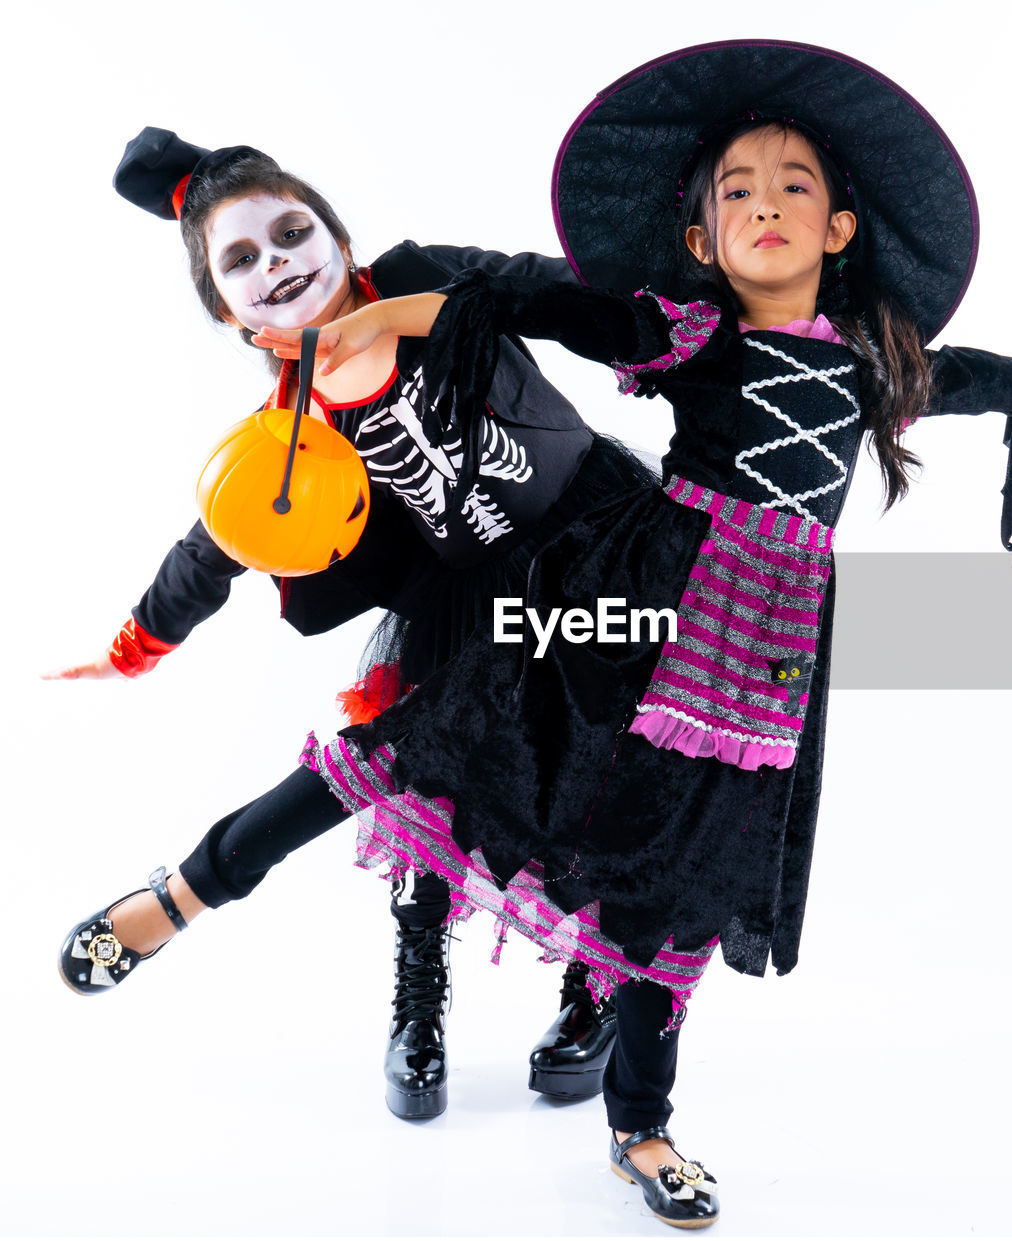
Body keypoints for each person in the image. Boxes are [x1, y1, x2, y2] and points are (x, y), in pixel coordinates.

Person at [246, 40, 1012, 1229]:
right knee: (544, 760)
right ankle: (444, 968)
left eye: (793, 185)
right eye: (738, 190)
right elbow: (529, 294)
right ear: (704, 239)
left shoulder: (876, 366)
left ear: (841, 226)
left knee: (697, 861)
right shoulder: (695, 338)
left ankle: (633, 1107)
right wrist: (352, 326)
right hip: (647, 589)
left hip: (769, 641)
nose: (766, 203)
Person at [51, 127, 636, 1118]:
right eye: (241, 260)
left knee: (615, 775)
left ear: (335, 234)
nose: (276, 261)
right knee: (417, 787)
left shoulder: (424, 281)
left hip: (601, 545)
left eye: (290, 231)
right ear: (233, 317)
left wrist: (662, 334)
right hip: (474, 604)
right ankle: (417, 1012)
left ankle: (601, 988)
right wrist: (133, 647)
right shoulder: (287, 437)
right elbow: (214, 543)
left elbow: (550, 287)